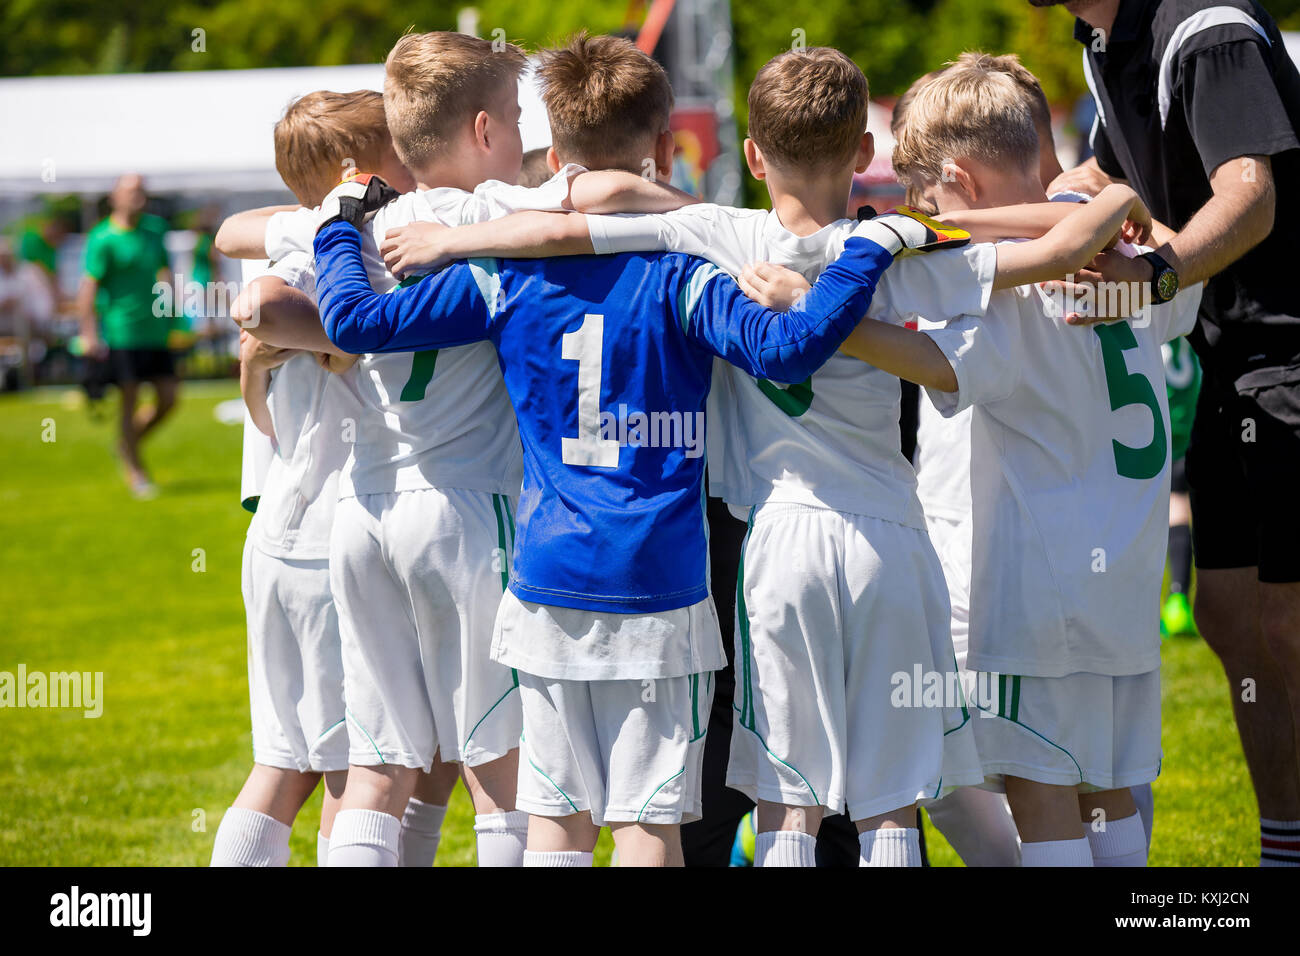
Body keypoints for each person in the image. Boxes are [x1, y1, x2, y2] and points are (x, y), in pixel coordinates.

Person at [829, 57, 1202, 865]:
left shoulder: (1005, 293)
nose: (926, 217)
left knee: (1041, 793)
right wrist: (1104, 207)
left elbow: (940, 362)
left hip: (1039, 589)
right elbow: (1182, 282)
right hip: (1125, 578)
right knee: (1103, 790)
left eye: (927, 198)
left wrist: (818, 321)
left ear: (956, 177)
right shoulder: (1133, 261)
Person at [1039, 0, 1300, 867]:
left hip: (1290, 353)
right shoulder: (1106, 41)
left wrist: (1152, 273)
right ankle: (1282, 849)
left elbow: (1250, 199)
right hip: (1232, 354)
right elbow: (1109, 177)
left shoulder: (1207, 27)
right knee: (1230, 616)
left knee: (1288, 622)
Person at [208, 90, 404, 868]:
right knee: (356, 772)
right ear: (358, 173)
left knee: (282, 763)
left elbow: (255, 338)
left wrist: (256, 372)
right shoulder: (341, 257)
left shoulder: (293, 244)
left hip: (280, 532)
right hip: (332, 537)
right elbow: (275, 316)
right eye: (401, 151)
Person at [75, 173, 177, 498]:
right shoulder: (102, 237)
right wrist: (88, 334)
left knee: (168, 399)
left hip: (156, 330)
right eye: (131, 192)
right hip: (123, 332)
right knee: (129, 401)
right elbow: (88, 288)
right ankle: (135, 470)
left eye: (142, 192)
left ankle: (126, 443)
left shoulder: (155, 231)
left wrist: (173, 311)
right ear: (114, 196)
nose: (138, 198)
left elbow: (164, 272)